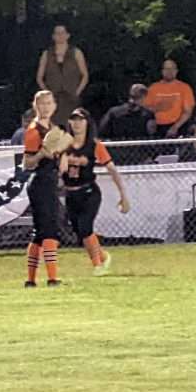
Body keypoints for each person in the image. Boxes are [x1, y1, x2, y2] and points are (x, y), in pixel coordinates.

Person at [60, 108, 130, 276]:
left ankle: (98, 265)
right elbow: (58, 168)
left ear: (87, 123)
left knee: (85, 228)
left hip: (88, 192)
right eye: (73, 119)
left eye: (80, 120)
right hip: (71, 194)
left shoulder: (94, 145)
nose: (77, 123)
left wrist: (123, 196)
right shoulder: (64, 144)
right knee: (79, 232)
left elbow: (112, 169)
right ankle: (103, 256)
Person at [22, 91, 65, 287]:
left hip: (50, 180)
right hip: (40, 181)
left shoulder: (54, 129)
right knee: (49, 230)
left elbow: (63, 152)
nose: (46, 107)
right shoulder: (34, 131)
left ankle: (31, 280)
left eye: (49, 103)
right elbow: (27, 163)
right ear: (35, 106)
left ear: (54, 105)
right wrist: (41, 153)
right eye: (42, 104)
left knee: (40, 232)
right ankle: (52, 278)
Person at [36, 24, 89, 124]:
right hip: (53, 99)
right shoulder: (46, 54)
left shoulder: (76, 52)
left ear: (68, 35)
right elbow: (39, 77)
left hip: (71, 98)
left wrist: (77, 92)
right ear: (53, 36)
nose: (60, 36)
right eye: (57, 33)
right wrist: (46, 93)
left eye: (62, 33)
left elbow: (85, 75)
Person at [143, 59, 196, 138]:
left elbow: (187, 112)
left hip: (179, 126)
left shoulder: (185, 88)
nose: (169, 71)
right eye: (167, 69)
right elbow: (147, 107)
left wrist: (175, 127)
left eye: (172, 69)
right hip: (158, 126)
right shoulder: (153, 88)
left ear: (176, 71)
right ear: (162, 71)